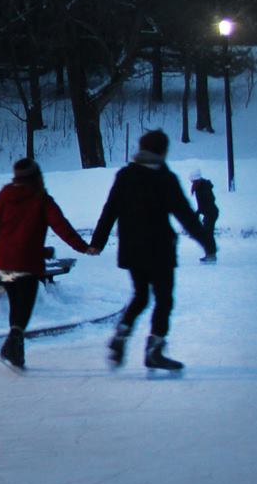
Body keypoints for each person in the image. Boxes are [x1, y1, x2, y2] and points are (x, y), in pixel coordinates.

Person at [92, 130, 216, 371]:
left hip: (132, 249)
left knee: (140, 296)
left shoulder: (125, 175)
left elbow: (110, 209)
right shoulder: (165, 178)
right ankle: (155, 349)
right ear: (162, 151)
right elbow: (185, 215)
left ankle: (122, 333)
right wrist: (207, 242)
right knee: (163, 299)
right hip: (160, 249)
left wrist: (98, 241)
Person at [0, 158, 94, 370]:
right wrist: (83, 247)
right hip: (27, 263)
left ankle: (16, 352)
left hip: (6, 264)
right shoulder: (41, 199)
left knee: (16, 305)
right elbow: (61, 226)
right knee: (25, 305)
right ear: (37, 177)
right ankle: (11, 346)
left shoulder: (5, 198)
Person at [189, 172, 220, 263]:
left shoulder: (202, 188)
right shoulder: (201, 186)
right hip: (209, 213)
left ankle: (211, 255)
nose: (191, 182)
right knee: (207, 234)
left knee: (207, 234)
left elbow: (207, 202)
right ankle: (211, 254)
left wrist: (199, 212)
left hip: (211, 213)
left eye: (192, 180)